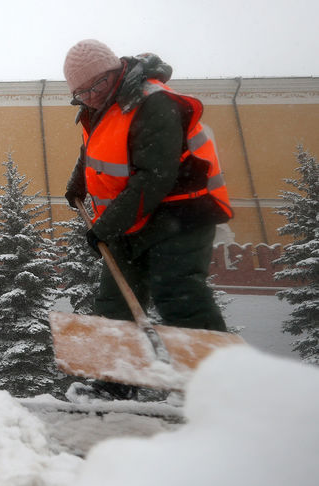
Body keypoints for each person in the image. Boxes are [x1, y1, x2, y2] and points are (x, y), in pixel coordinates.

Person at [62, 39, 234, 400]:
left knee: (179, 294)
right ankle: (114, 383)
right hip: (130, 216)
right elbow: (95, 150)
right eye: (80, 92)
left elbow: (155, 175)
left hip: (179, 212)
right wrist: (77, 181)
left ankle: (219, 388)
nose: (90, 95)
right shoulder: (99, 108)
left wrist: (104, 227)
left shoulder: (152, 101)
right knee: (113, 302)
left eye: (96, 85)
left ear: (115, 72)